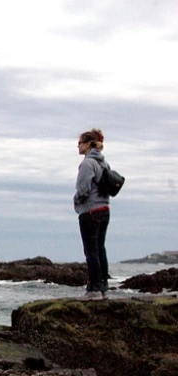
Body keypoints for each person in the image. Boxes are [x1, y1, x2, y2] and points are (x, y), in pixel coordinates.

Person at [74, 128, 111, 300]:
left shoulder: (88, 163)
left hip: (90, 211)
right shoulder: (104, 163)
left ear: (88, 144)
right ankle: (103, 288)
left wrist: (76, 200)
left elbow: (83, 189)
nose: (77, 146)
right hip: (105, 210)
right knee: (100, 249)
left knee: (91, 251)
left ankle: (93, 290)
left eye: (80, 143)